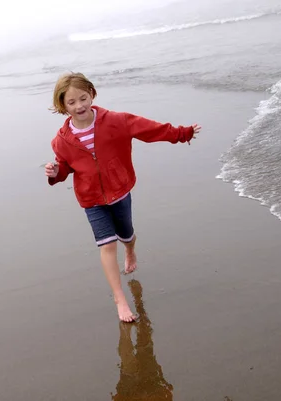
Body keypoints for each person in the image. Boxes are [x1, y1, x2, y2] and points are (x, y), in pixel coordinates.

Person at [44, 72, 201, 322]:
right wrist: (55, 173)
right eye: (71, 102)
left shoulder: (116, 121)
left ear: (92, 94)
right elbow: (64, 168)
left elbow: (150, 129)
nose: (79, 106)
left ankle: (130, 250)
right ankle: (120, 300)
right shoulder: (61, 141)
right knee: (107, 245)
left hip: (119, 190)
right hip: (91, 200)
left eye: (83, 98)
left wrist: (181, 134)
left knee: (126, 234)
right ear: (63, 105)